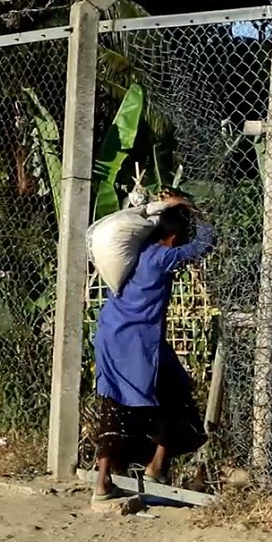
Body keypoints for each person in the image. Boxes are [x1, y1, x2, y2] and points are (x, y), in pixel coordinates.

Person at [91, 191, 215, 504]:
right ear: (175, 235)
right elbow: (204, 244)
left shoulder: (133, 253)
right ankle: (155, 467)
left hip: (110, 335)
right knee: (176, 395)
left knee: (113, 402)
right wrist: (195, 209)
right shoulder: (161, 257)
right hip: (138, 342)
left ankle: (104, 481)